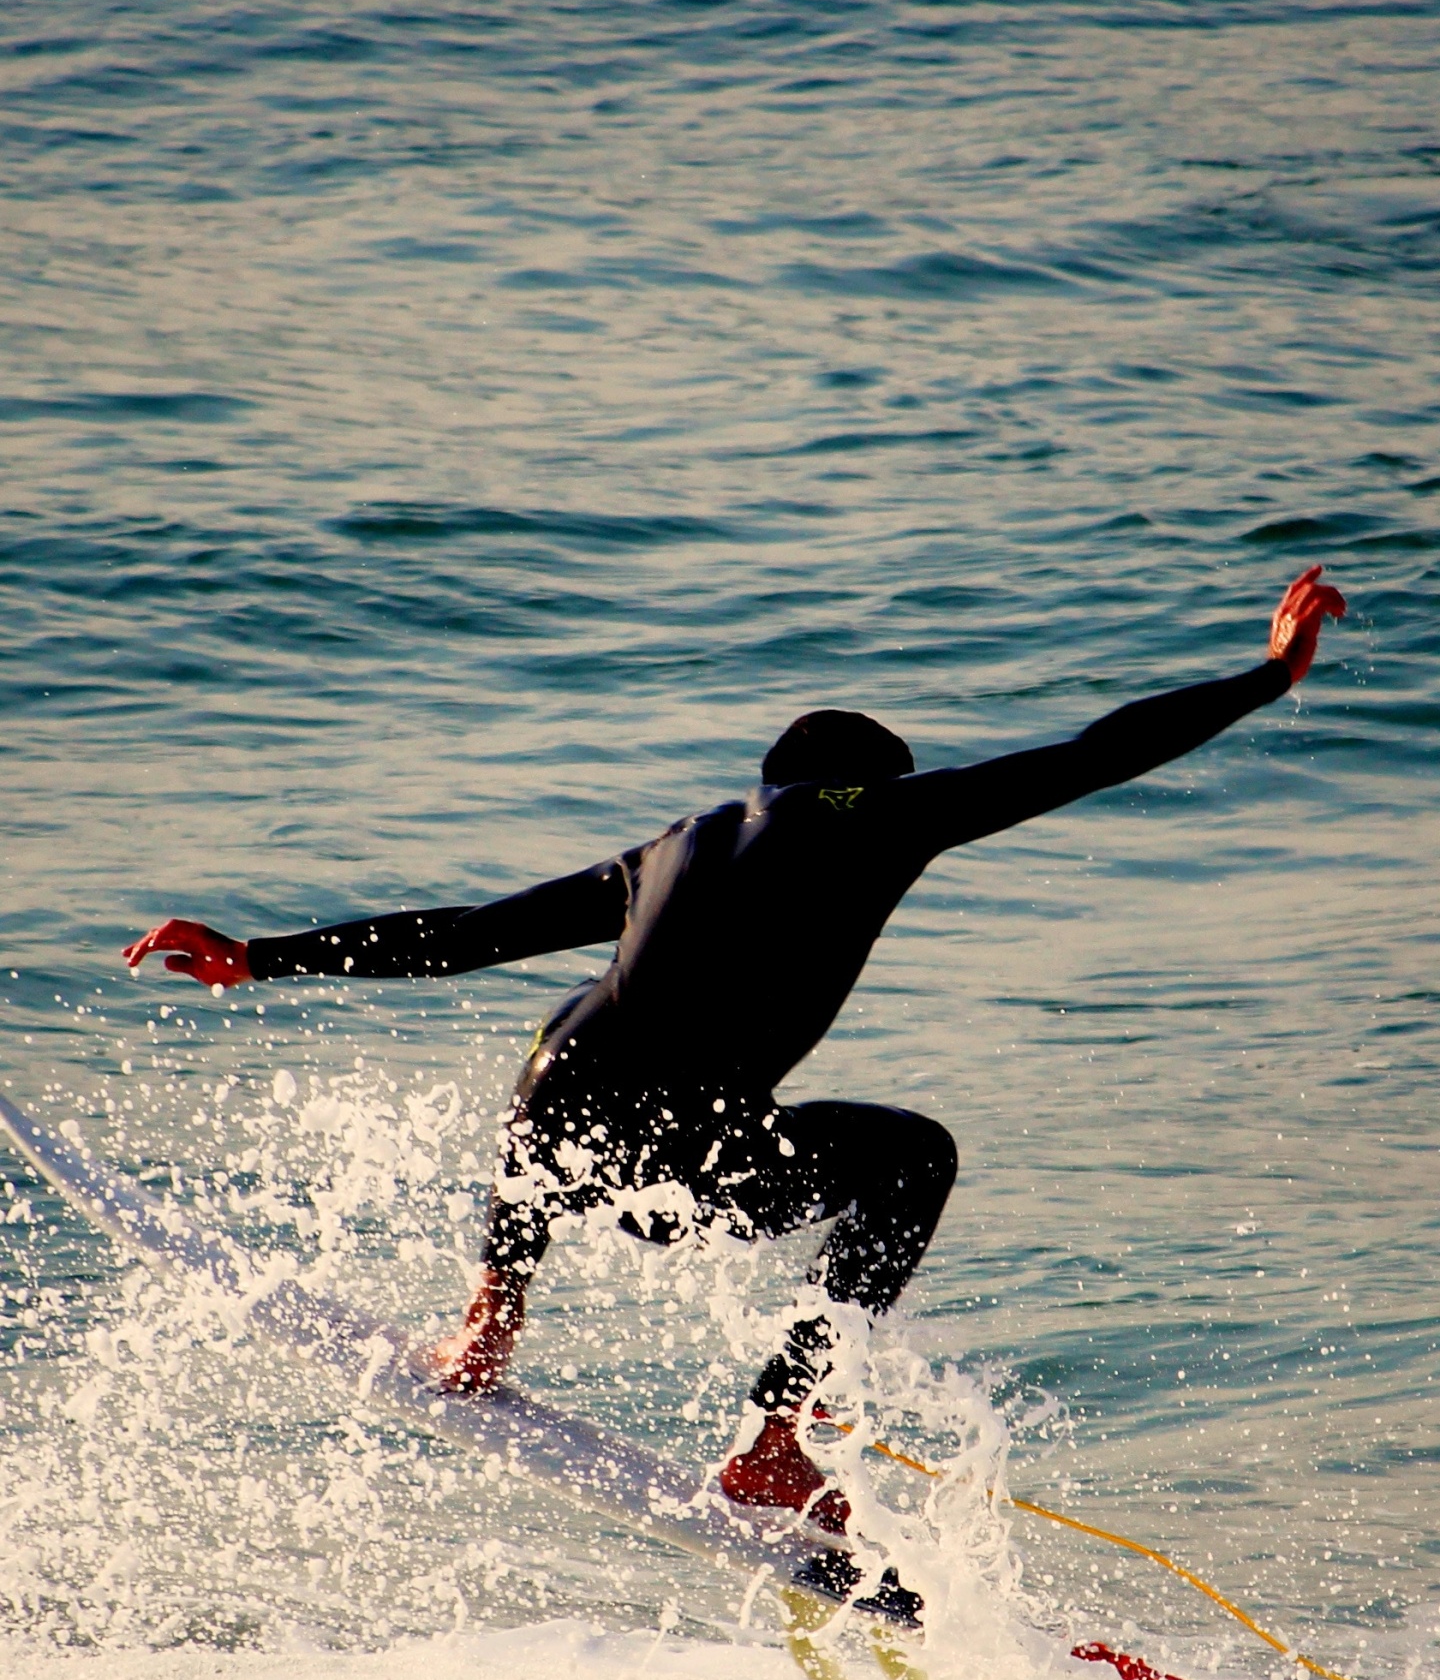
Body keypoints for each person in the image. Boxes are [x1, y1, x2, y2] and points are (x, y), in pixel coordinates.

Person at [125, 566, 1344, 1546]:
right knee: (913, 1158)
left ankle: (492, 1313)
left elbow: (469, 933)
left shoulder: (667, 847)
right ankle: (775, 1438)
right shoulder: (881, 814)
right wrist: (1269, 676)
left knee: (570, 1031)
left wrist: (261, 956)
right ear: (872, 783)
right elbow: (1091, 752)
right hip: (689, 1155)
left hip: (559, 1135)